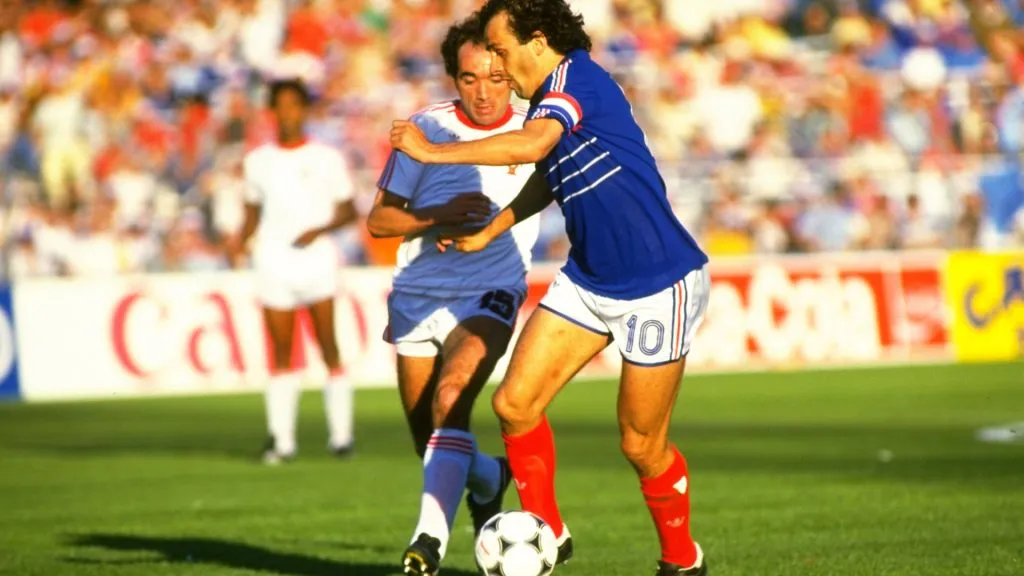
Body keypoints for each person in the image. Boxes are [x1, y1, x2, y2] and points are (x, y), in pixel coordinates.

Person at [389, 1, 711, 574]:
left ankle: (682, 561)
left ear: (536, 42)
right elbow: (548, 171)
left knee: (641, 446)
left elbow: (535, 146)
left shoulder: (575, 79)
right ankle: (549, 535)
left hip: (657, 282)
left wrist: (433, 151)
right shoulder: (546, 101)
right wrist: (495, 224)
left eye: (501, 49)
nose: (496, 63)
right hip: (590, 278)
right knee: (513, 404)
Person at [367, 15, 543, 576]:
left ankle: (427, 544)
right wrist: (433, 216)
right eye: (470, 79)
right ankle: (490, 480)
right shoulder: (426, 128)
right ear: (454, 78)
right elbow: (379, 219)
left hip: (490, 289)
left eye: (494, 77)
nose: (484, 91)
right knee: (433, 440)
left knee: (451, 398)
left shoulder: (537, 128)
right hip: (417, 294)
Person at [232, 78, 357, 465]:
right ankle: (281, 441)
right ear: (272, 111)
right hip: (273, 260)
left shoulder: (326, 158)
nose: (287, 113)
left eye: (293, 105)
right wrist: (239, 241)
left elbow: (349, 210)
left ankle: (341, 436)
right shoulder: (257, 161)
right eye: (280, 106)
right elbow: (252, 213)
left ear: (304, 110)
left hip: (316, 257)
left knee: (327, 345)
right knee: (281, 350)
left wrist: (319, 229)